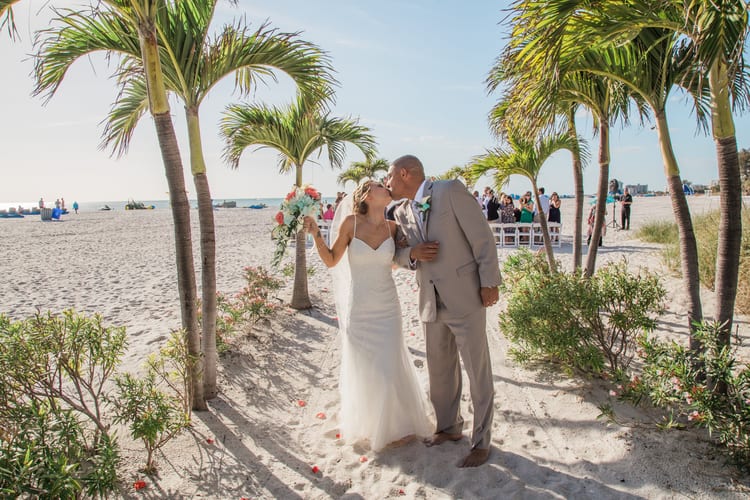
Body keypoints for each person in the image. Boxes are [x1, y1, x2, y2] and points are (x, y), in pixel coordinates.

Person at [386, 155, 500, 468]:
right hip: (430, 301)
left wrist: (489, 282)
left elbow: (482, 238)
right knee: (440, 370)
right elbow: (395, 252)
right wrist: (412, 253)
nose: (387, 182)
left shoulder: (449, 191)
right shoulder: (404, 209)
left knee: (478, 372)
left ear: (405, 173)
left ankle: (481, 442)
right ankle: (449, 428)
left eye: (390, 177)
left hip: (466, 297)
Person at [303, 180, 432, 451]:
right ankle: (371, 422)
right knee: (366, 367)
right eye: (379, 185)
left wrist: (413, 254)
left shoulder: (394, 227)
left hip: (388, 306)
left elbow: (403, 259)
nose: (386, 187)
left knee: (389, 364)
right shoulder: (350, 223)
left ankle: (395, 424)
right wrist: (316, 233)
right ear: (366, 195)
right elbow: (331, 260)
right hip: (360, 308)